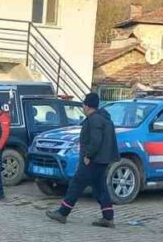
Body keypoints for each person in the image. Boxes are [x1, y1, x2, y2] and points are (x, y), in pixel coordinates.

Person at [47, 93, 117, 227]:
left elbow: (96, 140)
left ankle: (62, 213)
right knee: (100, 188)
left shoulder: (94, 119)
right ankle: (108, 217)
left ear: (87, 106)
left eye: (84, 105)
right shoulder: (104, 118)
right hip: (102, 160)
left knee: (76, 184)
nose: (83, 107)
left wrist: (88, 155)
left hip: (93, 160)